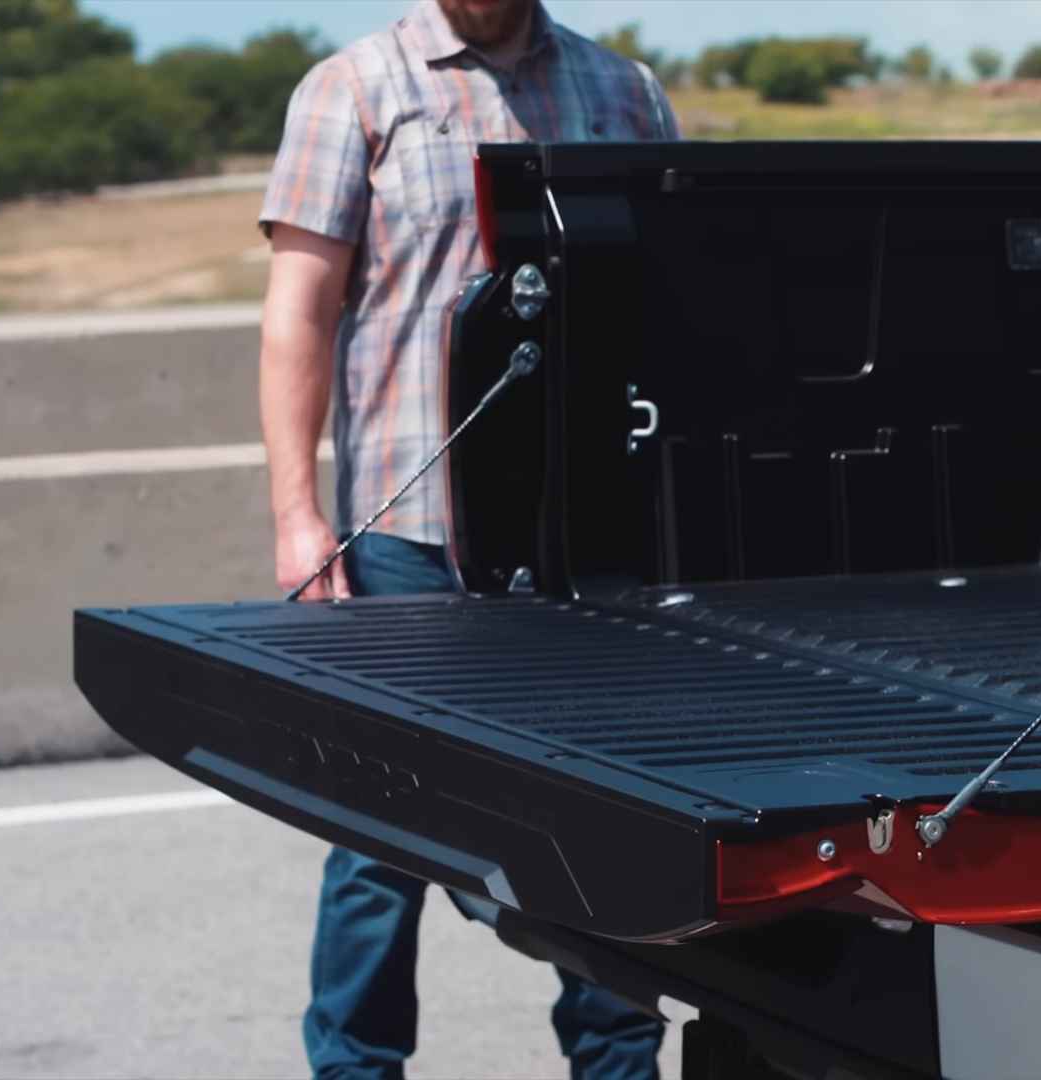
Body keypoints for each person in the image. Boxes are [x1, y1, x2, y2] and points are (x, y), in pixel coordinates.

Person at [256, 1, 678, 1076]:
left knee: (609, 827)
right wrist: (299, 515)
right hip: (409, 531)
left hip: (585, 541)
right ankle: (356, 1066)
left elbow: (675, 293)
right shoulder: (352, 91)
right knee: (378, 844)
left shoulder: (621, 91)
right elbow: (299, 310)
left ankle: (618, 1063)